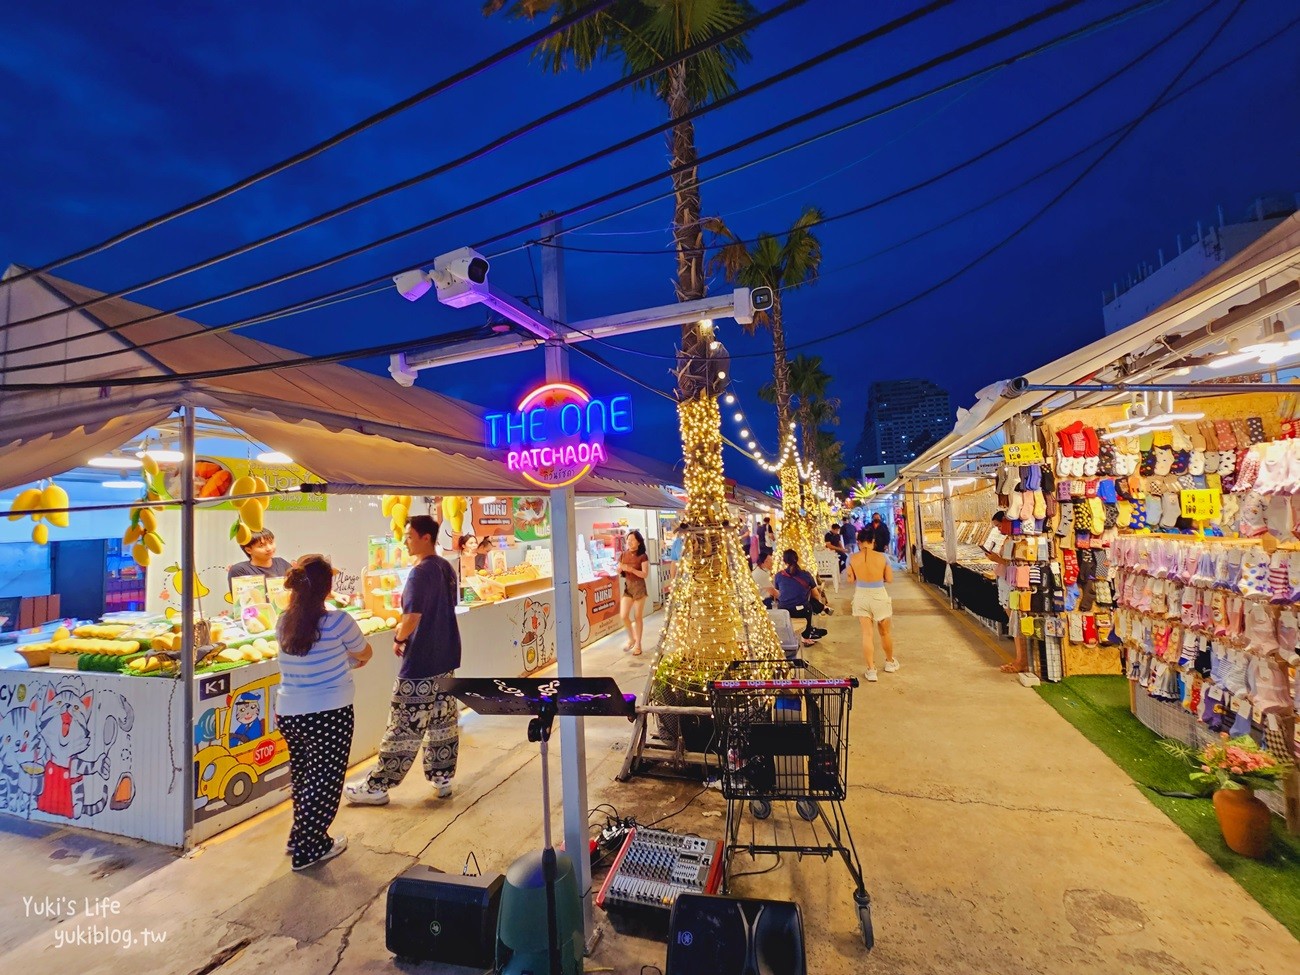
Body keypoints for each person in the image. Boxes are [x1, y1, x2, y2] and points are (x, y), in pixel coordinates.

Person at [346, 515, 462, 805]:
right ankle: (442, 777)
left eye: (410, 536)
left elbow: (411, 617)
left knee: (403, 725)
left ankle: (378, 786)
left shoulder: (420, 572)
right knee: (442, 721)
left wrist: (399, 638)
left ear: (425, 537)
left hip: (421, 659)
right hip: (446, 654)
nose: (406, 541)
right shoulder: (446, 567)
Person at [276, 554, 372, 870]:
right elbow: (365, 653)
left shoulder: (283, 621)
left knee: (304, 776)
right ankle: (311, 848)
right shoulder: (339, 621)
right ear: (327, 588)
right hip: (329, 712)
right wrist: (348, 661)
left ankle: (299, 837)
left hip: (289, 713)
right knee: (325, 781)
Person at [847, 528, 898, 682]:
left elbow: (850, 580)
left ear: (859, 542)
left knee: (867, 634)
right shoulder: (883, 558)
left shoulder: (852, 558)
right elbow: (889, 579)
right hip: (879, 595)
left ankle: (871, 670)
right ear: (873, 541)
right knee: (885, 632)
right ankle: (889, 662)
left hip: (861, 595)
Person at [986, 511, 1031, 675]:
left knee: (1016, 620)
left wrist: (996, 559)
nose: (998, 529)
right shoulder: (1008, 538)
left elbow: (1015, 562)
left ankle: (1022, 660)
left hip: (1011, 581)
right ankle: (1020, 658)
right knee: (1013, 620)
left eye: (999, 526)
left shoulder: (1018, 540)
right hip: (1005, 580)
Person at [775, 549, 829, 644]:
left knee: (804, 602)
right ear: (797, 559)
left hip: (784, 610)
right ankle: (806, 637)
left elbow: (779, 592)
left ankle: (821, 609)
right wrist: (815, 604)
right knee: (808, 605)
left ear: (784, 561)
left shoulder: (779, 575)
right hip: (802, 610)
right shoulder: (806, 575)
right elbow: (816, 594)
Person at [227, 529, 293, 589]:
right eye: (261, 546)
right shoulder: (239, 570)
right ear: (248, 550)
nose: (269, 548)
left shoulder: (282, 563)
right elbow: (241, 600)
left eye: (271, 542)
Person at [619, 529, 650, 655]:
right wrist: (620, 568)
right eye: (628, 540)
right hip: (628, 588)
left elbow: (644, 574)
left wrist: (631, 569)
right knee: (624, 615)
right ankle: (632, 639)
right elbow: (619, 569)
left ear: (638, 542)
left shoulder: (643, 556)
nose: (630, 542)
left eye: (632, 540)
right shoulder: (623, 554)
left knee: (637, 616)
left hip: (639, 588)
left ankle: (638, 644)